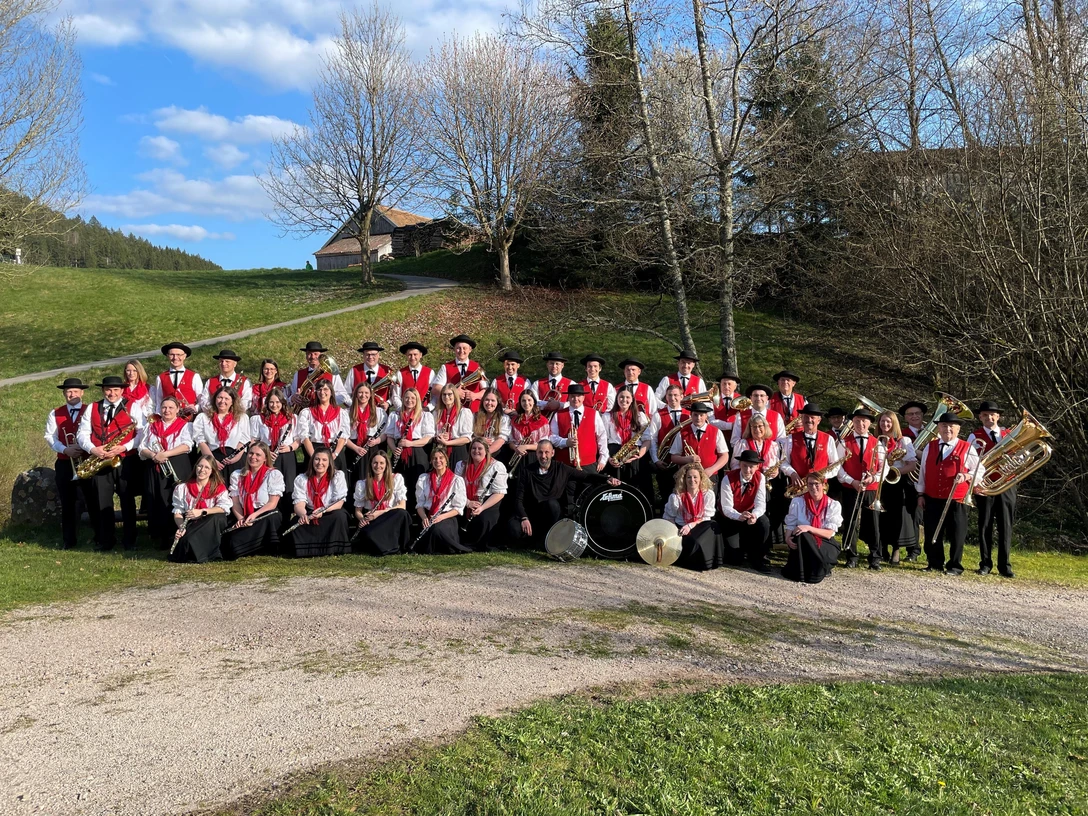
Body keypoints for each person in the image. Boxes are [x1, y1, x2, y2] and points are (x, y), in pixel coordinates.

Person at [507, 439, 619, 549]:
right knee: (514, 529)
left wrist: (606, 479)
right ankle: (533, 542)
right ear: (536, 453)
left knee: (552, 504)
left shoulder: (561, 468)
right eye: (540, 452)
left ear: (553, 453)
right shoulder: (526, 471)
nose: (543, 456)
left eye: (546, 452)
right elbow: (518, 499)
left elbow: (586, 476)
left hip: (552, 515)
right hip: (532, 514)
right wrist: (524, 518)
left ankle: (549, 539)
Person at [76, 375, 142, 552]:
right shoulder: (92, 408)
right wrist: (93, 449)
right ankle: (106, 539)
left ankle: (130, 539)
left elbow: (142, 433)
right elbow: (82, 433)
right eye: (108, 390)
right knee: (101, 500)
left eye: (115, 390)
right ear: (103, 390)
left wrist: (124, 447)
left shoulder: (133, 407)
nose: (111, 393)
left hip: (125, 459)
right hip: (100, 459)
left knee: (127, 499)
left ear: (122, 390)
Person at [917, 413, 981, 575]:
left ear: (958, 429)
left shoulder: (967, 447)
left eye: (951, 426)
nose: (948, 429)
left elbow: (980, 469)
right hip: (932, 497)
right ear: (938, 428)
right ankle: (934, 562)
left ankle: (955, 566)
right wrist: (920, 494)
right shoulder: (930, 447)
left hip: (957, 498)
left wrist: (967, 476)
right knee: (932, 531)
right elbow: (923, 472)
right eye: (944, 426)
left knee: (957, 533)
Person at [138, 396, 195, 546]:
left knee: (175, 498)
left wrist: (166, 454)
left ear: (177, 410)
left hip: (177, 464)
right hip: (154, 465)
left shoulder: (185, 426)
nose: (167, 410)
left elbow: (187, 445)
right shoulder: (150, 427)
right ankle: (159, 535)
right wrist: (154, 455)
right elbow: (141, 448)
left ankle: (175, 533)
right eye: (164, 407)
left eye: (171, 407)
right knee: (155, 497)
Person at [968, 401, 1014, 577]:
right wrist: (975, 484)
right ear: (980, 417)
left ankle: (1005, 566)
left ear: (998, 416)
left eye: (992, 414)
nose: (989, 417)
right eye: (985, 415)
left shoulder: (1009, 434)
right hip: (984, 485)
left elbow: (1022, 454)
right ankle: (985, 563)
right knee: (985, 524)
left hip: (1007, 485)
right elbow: (970, 461)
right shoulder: (974, 436)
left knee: (1006, 525)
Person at [44, 377, 90, 549]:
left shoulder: (90, 410)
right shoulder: (55, 412)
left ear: (82, 393)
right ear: (64, 393)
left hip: (88, 460)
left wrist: (83, 446)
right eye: (68, 391)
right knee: (68, 502)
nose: (72, 394)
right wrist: (65, 449)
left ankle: (100, 539)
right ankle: (69, 541)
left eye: (75, 391)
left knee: (92, 499)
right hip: (65, 462)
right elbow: (50, 436)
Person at [837, 407, 883, 570]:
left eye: (864, 421)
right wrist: (852, 481)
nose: (860, 424)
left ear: (870, 423)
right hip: (851, 487)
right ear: (852, 423)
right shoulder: (843, 442)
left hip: (871, 488)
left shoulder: (877, 443)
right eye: (857, 421)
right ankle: (851, 556)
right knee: (850, 521)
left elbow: (884, 468)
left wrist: (873, 478)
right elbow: (838, 468)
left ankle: (875, 557)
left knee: (873, 523)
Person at [223, 442, 284, 559]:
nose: (253, 457)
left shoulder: (273, 474)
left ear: (265, 458)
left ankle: (261, 546)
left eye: (258, 455)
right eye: (251, 453)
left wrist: (254, 515)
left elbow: (272, 503)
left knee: (272, 517)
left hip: (264, 513)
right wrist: (241, 518)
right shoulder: (237, 474)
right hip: (243, 512)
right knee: (231, 541)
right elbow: (235, 502)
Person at [782, 473, 843, 584]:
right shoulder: (798, 502)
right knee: (803, 535)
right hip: (803, 542)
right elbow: (791, 524)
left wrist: (809, 528)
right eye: (810, 484)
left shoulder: (833, 505)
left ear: (824, 485)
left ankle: (820, 566)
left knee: (804, 533)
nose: (813, 487)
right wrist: (787, 538)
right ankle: (812, 569)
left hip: (824, 540)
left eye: (816, 484)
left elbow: (829, 533)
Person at [170, 454, 231, 563]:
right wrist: (181, 527)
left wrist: (202, 512)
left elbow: (224, 508)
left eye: (207, 467)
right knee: (186, 540)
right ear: (195, 467)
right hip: (192, 523)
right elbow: (178, 512)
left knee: (217, 517)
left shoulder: (219, 488)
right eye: (200, 466)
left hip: (211, 523)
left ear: (212, 471)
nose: (202, 470)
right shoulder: (182, 488)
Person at [875, 409, 918, 565]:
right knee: (881, 517)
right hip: (879, 483)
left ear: (894, 423)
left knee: (895, 517)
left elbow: (912, 465)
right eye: (882, 421)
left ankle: (896, 549)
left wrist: (893, 471)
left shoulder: (904, 440)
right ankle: (882, 548)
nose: (885, 424)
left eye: (888, 421)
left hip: (896, 483)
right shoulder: (876, 440)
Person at [290, 447, 351, 557]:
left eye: (324, 460)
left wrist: (323, 510)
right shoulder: (302, 479)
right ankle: (307, 550)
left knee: (340, 517)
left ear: (329, 462)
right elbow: (299, 503)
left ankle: (333, 548)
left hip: (330, 510)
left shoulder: (337, 476)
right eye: (317, 459)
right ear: (312, 461)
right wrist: (303, 515)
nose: (320, 463)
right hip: (311, 512)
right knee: (296, 521)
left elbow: (339, 502)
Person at [385, 386, 435, 516]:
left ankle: (418, 514)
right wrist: (394, 449)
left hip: (418, 452)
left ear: (417, 400)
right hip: (400, 452)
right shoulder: (395, 415)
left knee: (417, 483)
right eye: (406, 397)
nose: (409, 400)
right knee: (401, 483)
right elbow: (389, 437)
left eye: (413, 398)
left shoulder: (425, 415)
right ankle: (401, 512)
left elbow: (428, 438)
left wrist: (410, 443)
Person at [718, 449, 771, 571]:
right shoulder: (728, 479)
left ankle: (757, 557)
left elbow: (760, 504)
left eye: (751, 467)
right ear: (739, 464)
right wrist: (738, 516)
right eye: (744, 466)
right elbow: (726, 508)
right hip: (730, 518)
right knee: (735, 560)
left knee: (764, 522)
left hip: (748, 515)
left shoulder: (761, 478)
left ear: (757, 466)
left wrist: (754, 515)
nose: (747, 470)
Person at [664, 462, 722, 571]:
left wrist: (691, 525)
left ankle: (706, 561)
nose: (692, 480)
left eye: (695, 477)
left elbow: (706, 517)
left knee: (712, 526)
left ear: (701, 479)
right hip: (681, 528)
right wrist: (674, 534)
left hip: (700, 525)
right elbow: (669, 517)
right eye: (689, 477)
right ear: (684, 479)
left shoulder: (708, 494)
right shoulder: (676, 497)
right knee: (691, 541)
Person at [353, 449, 411, 556]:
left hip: (391, 517)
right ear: (370, 464)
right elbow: (358, 511)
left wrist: (379, 513)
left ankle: (395, 546)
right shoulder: (362, 484)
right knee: (369, 534)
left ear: (386, 465)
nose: (378, 466)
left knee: (402, 514)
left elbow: (402, 506)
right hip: (372, 519)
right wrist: (362, 519)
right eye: (375, 463)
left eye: (381, 463)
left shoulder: (396, 479)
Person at [455, 437, 509, 551]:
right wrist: (467, 503)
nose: (476, 451)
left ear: (486, 450)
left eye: (480, 448)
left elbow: (499, 493)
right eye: (473, 448)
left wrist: (482, 508)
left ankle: (477, 543)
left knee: (483, 518)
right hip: (466, 500)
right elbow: (456, 489)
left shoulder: (496, 466)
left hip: (487, 501)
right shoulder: (461, 465)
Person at [250, 387, 299, 511]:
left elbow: (299, 439)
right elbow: (253, 440)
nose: (274, 405)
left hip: (287, 456)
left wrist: (289, 447)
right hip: (267, 457)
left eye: (277, 402)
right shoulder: (258, 419)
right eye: (271, 402)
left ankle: (286, 518)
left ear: (283, 403)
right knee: (268, 487)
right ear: (267, 403)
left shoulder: (292, 418)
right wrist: (264, 452)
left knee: (288, 487)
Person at [414, 447, 468, 554]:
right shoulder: (424, 478)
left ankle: (448, 548)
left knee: (437, 529)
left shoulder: (456, 480)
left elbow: (458, 508)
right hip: (430, 515)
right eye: (434, 458)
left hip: (448, 517)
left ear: (446, 460)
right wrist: (424, 518)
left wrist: (441, 517)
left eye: (441, 458)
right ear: (430, 461)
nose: (438, 461)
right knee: (431, 528)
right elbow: (419, 504)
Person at [192, 386, 252, 480]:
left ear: (232, 401)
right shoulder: (203, 417)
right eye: (219, 397)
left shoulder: (242, 417)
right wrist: (212, 461)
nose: (222, 401)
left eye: (226, 398)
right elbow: (201, 441)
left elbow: (243, 440)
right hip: (212, 458)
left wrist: (235, 458)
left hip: (236, 459)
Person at [549, 383, 608, 475]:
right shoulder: (558, 415)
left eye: (579, 396)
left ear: (584, 397)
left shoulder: (594, 413)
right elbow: (551, 436)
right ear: (568, 398)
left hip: (589, 464)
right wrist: (565, 442)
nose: (576, 399)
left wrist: (603, 458)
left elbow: (602, 436)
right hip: (565, 464)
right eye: (572, 396)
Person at [780, 404, 841, 492]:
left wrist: (822, 476)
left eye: (812, 417)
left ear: (819, 420)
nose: (809, 420)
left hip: (820, 488)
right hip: (798, 487)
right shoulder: (790, 439)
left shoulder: (828, 439)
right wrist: (792, 473)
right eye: (806, 417)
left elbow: (835, 465)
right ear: (801, 418)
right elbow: (783, 462)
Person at [646, 384, 689, 511]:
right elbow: (652, 439)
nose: (673, 398)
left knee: (684, 495)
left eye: (676, 395)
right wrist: (656, 460)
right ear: (666, 397)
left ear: (682, 397)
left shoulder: (690, 415)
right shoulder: (658, 415)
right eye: (670, 395)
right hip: (665, 462)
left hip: (684, 462)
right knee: (666, 496)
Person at [296, 379, 349, 472]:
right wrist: (314, 457)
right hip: (314, 451)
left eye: (326, 389)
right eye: (319, 389)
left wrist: (335, 454)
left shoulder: (341, 413)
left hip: (335, 452)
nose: (322, 392)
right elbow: (304, 438)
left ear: (331, 392)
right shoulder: (306, 413)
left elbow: (343, 437)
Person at [344, 382, 388, 493]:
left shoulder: (379, 412)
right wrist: (355, 448)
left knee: (370, 476)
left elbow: (386, 433)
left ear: (371, 395)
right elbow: (343, 435)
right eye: (360, 392)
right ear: (355, 394)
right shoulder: (347, 412)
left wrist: (377, 440)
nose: (363, 395)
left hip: (371, 448)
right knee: (353, 478)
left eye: (366, 393)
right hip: (353, 448)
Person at [670, 402, 730, 483]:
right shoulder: (682, 433)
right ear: (691, 415)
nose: (698, 418)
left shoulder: (717, 432)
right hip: (688, 478)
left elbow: (724, 456)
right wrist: (687, 459)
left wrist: (711, 470)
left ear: (706, 416)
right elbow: (674, 457)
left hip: (710, 476)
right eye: (695, 415)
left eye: (701, 415)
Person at [898, 400, 927, 562]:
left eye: (917, 413)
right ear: (906, 418)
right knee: (912, 515)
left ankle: (932, 552)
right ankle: (913, 551)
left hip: (930, 478)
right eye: (911, 414)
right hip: (910, 480)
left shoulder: (936, 432)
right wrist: (915, 452)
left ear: (922, 416)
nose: (914, 416)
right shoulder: (901, 435)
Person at [604, 388, 650, 489]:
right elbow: (603, 441)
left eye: (627, 397)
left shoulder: (640, 416)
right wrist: (608, 458)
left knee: (636, 488)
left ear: (632, 399)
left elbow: (647, 440)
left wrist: (638, 455)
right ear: (617, 399)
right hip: (615, 455)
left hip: (634, 455)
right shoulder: (607, 416)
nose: (624, 400)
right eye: (621, 397)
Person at [431, 334, 487, 411]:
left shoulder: (477, 367)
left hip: (474, 411)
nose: (461, 351)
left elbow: (486, 390)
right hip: (451, 410)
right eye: (458, 348)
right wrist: (454, 392)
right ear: (454, 349)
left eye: (464, 348)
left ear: (470, 349)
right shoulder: (445, 367)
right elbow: (435, 389)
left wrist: (475, 395)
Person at [287, 341, 348, 409]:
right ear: (306, 356)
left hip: (326, 415)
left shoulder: (333, 374)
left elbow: (342, 395)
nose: (313, 357)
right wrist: (293, 398)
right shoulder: (298, 374)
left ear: (321, 356)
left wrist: (327, 400)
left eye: (316, 354)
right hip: (303, 415)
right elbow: (291, 395)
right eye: (309, 354)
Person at [507, 389, 551, 474]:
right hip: (517, 455)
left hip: (535, 457)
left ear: (534, 401)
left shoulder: (542, 421)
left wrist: (525, 447)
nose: (526, 403)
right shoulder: (514, 420)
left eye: (529, 400)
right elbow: (510, 441)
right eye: (523, 400)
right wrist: (516, 448)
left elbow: (544, 445)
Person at [345, 341, 398, 412]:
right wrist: (354, 405)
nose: (370, 357)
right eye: (367, 354)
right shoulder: (354, 370)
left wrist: (388, 403)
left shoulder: (387, 371)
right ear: (363, 355)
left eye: (373, 354)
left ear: (378, 355)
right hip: (358, 415)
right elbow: (346, 393)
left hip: (381, 414)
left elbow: (395, 394)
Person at [153, 341, 201, 419]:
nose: (175, 358)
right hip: (169, 420)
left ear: (184, 356)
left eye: (179, 354)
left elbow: (201, 399)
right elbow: (159, 400)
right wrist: (159, 417)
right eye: (172, 355)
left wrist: (196, 408)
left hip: (189, 419)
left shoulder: (195, 376)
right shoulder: (160, 378)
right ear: (167, 356)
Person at [431, 383, 474, 469]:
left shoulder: (464, 412)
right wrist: (439, 437)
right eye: (444, 394)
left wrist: (447, 442)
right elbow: (432, 435)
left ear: (455, 395)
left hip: (458, 450)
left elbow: (467, 438)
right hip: (441, 451)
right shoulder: (436, 413)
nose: (446, 397)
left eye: (449, 394)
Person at [731, 384, 786, 449]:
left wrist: (768, 450)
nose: (758, 398)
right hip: (748, 455)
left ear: (767, 398)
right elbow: (734, 441)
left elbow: (782, 440)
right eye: (755, 395)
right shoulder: (740, 416)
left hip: (771, 456)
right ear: (750, 398)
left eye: (762, 395)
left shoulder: (777, 416)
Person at [473, 387, 511, 459]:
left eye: (493, 400)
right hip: (476, 452)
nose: (489, 403)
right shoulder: (475, 416)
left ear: (498, 402)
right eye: (487, 400)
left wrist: (486, 453)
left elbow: (501, 440)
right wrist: (480, 439)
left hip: (495, 453)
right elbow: (470, 437)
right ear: (483, 401)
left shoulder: (504, 418)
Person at [397, 342, 434, 409]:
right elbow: (396, 395)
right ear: (406, 355)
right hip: (405, 412)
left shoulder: (430, 372)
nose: (412, 358)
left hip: (424, 412)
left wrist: (428, 408)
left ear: (420, 355)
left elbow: (435, 395)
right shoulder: (400, 373)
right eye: (410, 355)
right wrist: (401, 409)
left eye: (415, 354)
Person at [493, 350, 530, 417]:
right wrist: (503, 410)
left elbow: (529, 401)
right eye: (507, 364)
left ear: (518, 365)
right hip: (501, 416)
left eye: (512, 364)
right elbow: (492, 399)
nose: (510, 367)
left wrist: (518, 412)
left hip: (520, 416)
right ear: (504, 365)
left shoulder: (525, 381)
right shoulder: (496, 381)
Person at [536, 351, 572, 417]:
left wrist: (559, 405)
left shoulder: (571, 384)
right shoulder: (537, 383)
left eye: (557, 364)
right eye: (551, 363)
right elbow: (533, 402)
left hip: (563, 420)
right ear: (547, 365)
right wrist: (547, 404)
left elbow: (574, 403)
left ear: (562, 365)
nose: (554, 366)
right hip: (542, 421)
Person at [710, 373, 742, 437]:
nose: (726, 387)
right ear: (720, 385)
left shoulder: (741, 399)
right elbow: (711, 421)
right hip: (717, 436)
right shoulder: (712, 399)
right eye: (724, 384)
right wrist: (730, 426)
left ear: (735, 386)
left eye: (729, 384)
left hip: (737, 436)